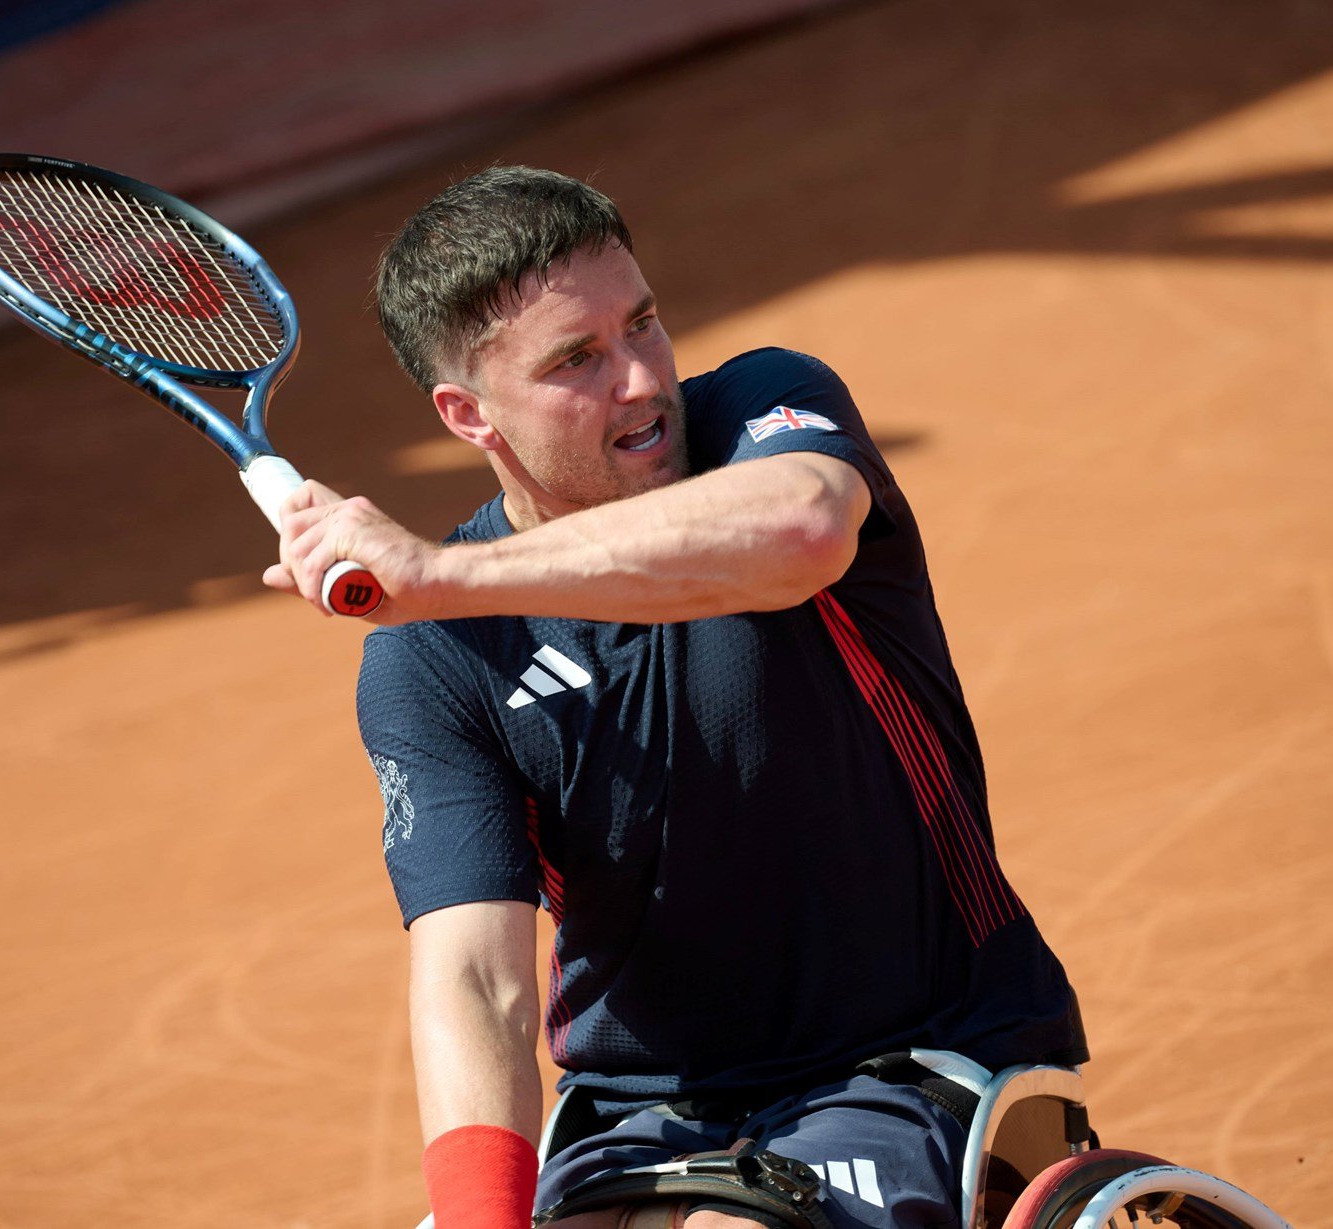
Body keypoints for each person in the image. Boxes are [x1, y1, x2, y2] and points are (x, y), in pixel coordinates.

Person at [263, 167, 1086, 1229]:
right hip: (639, 1118)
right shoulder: (432, 660)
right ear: (468, 414)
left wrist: (438, 582)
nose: (642, 380)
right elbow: (476, 980)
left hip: (921, 1058)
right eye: (576, 360)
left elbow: (799, 531)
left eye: (641, 323)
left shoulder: (762, 414)